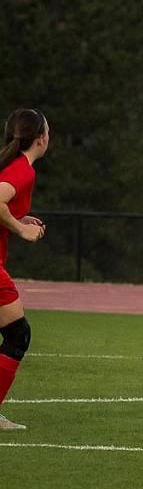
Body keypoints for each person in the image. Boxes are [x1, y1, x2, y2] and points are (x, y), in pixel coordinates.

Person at [0, 108, 50, 431]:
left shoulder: (12, 165)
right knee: (18, 334)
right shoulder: (23, 170)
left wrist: (19, 218)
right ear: (41, 139)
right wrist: (21, 229)